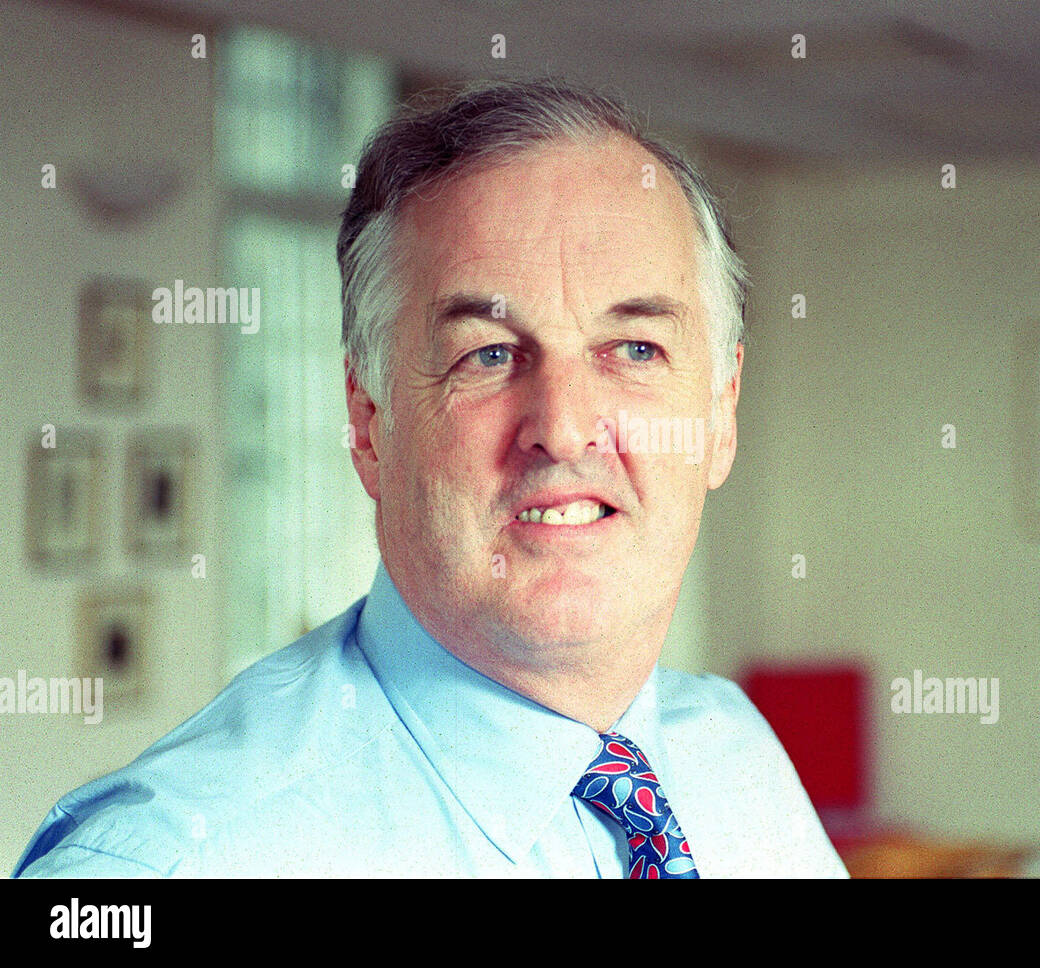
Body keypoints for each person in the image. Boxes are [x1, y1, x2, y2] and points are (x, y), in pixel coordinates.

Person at [14, 78, 847, 878]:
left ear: (721, 414)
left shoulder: (738, 763)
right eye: (486, 355)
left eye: (634, 349)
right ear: (371, 424)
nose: (562, 429)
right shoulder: (172, 862)